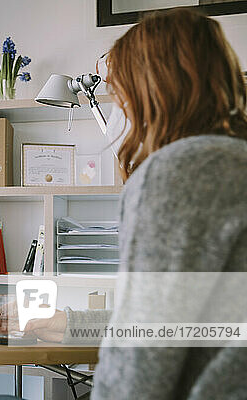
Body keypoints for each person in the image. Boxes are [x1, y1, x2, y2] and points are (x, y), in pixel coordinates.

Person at [23, 8, 247, 400]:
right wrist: (71, 323)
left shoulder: (174, 173)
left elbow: (145, 352)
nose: (120, 108)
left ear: (153, 92)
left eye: (122, 93)